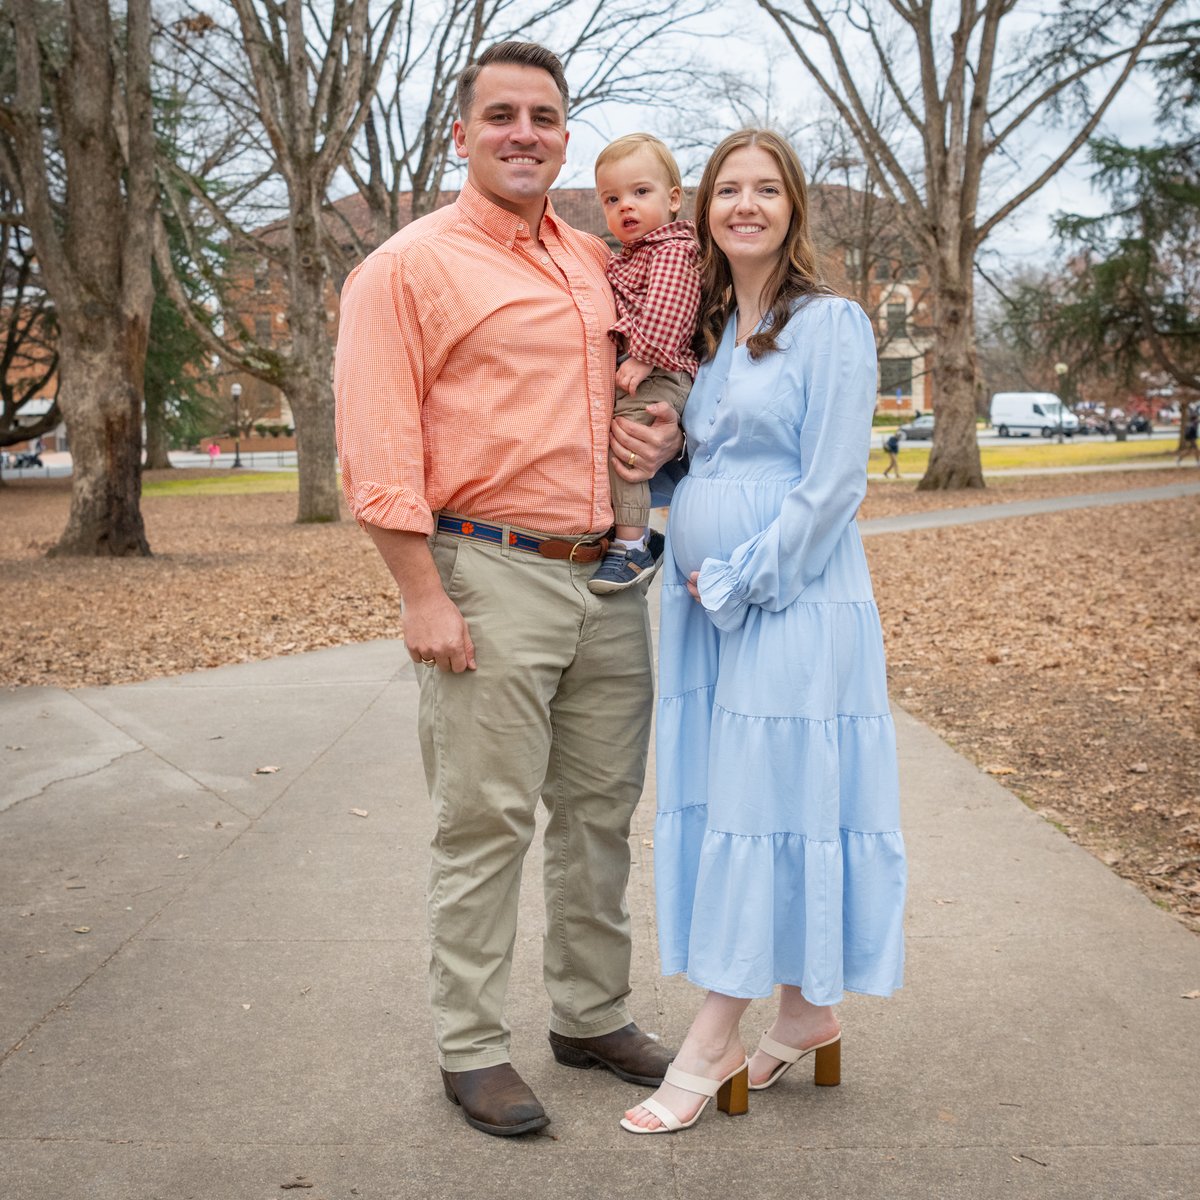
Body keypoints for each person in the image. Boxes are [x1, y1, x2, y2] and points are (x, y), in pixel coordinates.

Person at [333, 42, 683, 1139]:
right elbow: (377, 444)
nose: (523, 131)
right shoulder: (405, 267)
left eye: (543, 115)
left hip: (610, 578)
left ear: (565, 135)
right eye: (501, 115)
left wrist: (663, 434)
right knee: (483, 820)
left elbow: (655, 375)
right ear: (464, 134)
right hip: (486, 572)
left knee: (598, 818)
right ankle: (471, 1045)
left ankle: (588, 1014)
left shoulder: (593, 258)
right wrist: (420, 595)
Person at [620, 129, 907, 1136]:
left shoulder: (832, 326)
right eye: (727, 189)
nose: (745, 204)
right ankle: (806, 1013)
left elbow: (832, 486)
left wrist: (740, 576)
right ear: (704, 211)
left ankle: (711, 1042)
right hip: (706, 610)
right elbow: (702, 465)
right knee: (734, 797)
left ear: (792, 209)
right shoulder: (705, 333)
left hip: (788, 598)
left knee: (761, 800)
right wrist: (659, 458)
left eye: (765, 189)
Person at [588, 133, 699, 594]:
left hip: (660, 367)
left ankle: (632, 545)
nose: (625, 207)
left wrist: (641, 357)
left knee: (626, 444)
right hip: (646, 363)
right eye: (612, 199)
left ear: (673, 199)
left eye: (640, 192)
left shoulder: (673, 249)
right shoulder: (634, 254)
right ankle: (629, 532)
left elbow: (670, 308)